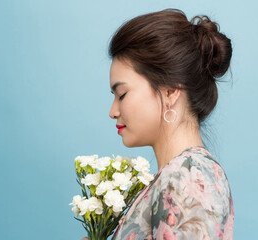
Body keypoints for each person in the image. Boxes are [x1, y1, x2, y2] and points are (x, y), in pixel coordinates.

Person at [82, 8, 234, 240]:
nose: (113, 112)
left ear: (171, 91)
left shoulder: (187, 177)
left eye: (122, 94)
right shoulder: (181, 174)